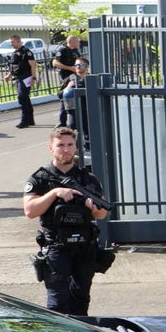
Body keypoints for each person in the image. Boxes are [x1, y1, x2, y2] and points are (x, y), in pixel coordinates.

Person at [22, 127, 110, 315]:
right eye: (60, 145)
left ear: (76, 147)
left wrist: (93, 207)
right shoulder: (40, 178)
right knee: (57, 301)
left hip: (84, 247)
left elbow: (101, 215)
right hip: (57, 247)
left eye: (70, 145)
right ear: (51, 148)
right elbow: (30, 211)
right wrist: (54, 193)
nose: (66, 149)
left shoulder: (88, 179)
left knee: (81, 298)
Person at [52, 35, 83, 126]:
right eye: (78, 41)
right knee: (65, 97)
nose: (79, 43)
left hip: (76, 76)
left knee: (74, 97)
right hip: (67, 78)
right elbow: (55, 63)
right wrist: (70, 68)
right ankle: (62, 121)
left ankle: (74, 120)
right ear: (72, 42)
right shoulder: (62, 50)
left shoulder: (76, 51)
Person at [7, 35, 38, 128]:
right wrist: (8, 75)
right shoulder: (16, 52)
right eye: (11, 42)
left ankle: (24, 121)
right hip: (19, 78)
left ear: (18, 41)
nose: (11, 44)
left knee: (22, 98)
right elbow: (14, 66)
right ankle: (30, 120)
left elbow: (33, 65)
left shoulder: (26, 52)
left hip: (26, 77)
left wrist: (33, 78)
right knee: (25, 98)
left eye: (12, 42)